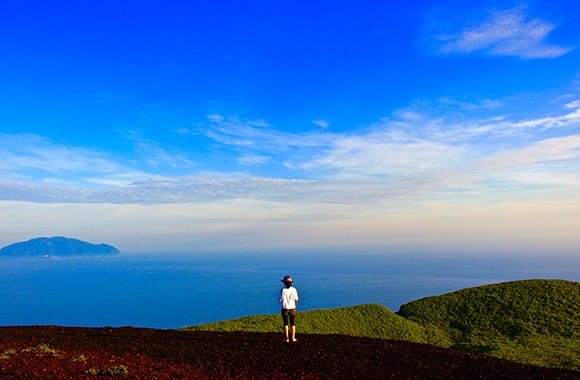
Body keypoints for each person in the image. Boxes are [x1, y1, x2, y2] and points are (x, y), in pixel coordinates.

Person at [279, 275, 299, 343]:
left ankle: (286, 338)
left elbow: (280, 300)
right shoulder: (294, 290)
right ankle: (293, 337)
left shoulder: (282, 290)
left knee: (285, 323)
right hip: (292, 307)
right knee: (292, 323)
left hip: (285, 308)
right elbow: (296, 299)